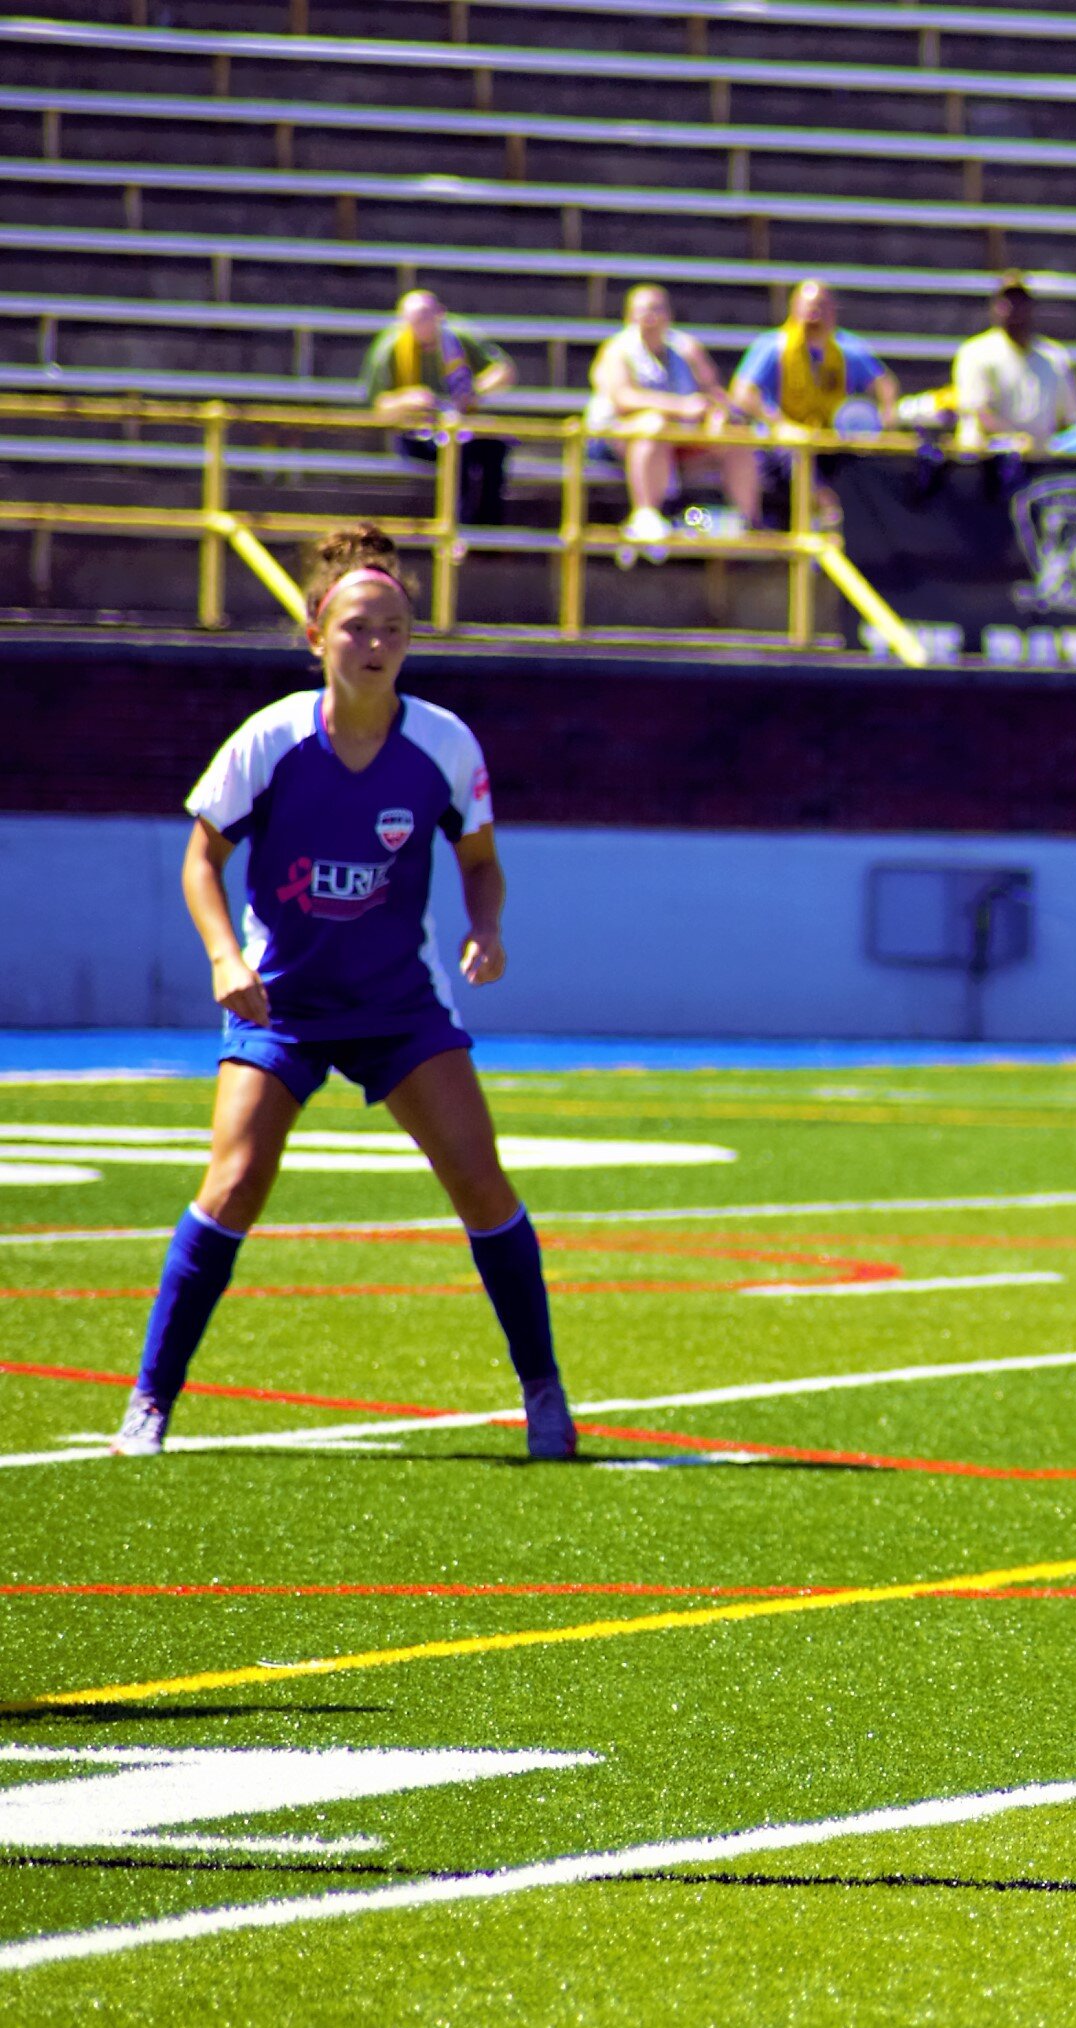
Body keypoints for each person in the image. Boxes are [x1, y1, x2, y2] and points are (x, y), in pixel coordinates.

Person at [111, 524, 574, 1461]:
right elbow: (205, 858)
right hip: (281, 1002)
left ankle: (545, 1394)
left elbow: (479, 862)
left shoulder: (443, 744)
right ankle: (149, 1402)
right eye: (358, 626)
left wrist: (488, 929)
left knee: (481, 1182)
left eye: (395, 628)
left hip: (401, 1004)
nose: (376, 644)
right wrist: (222, 957)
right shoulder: (271, 738)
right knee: (234, 1182)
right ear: (317, 632)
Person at [584, 282, 761, 551]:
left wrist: (718, 414)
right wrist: (679, 407)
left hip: (678, 437)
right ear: (630, 316)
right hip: (618, 437)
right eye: (643, 311)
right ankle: (646, 515)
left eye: (657, 310)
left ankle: (747, 521)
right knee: (654, 425)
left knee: (736, 437)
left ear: (669, 314)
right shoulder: (616, 351)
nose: (651, 317)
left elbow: (713, 393)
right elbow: (623, 398)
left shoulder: (687, 349)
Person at [360, 290, 514, 528]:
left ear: (440, 314)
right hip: (416, 433)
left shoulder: (458, 338)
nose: (421, 326)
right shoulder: (391, 347)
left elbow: (504, 371)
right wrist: (407, 400)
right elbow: (378, 407)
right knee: (457, 453)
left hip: (459, 424)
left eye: (426, 318)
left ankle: (490, 529)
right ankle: (456, 529)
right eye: (414, 320)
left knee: (495, 447)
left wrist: (474, 391)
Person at [730, 279, 897, 438]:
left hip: (834, 440)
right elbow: (742, 393)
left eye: (821, 308)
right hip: (783, 444)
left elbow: (884, 384)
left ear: (833, 312)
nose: (815, 316)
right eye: (809, 309)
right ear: (794, 309)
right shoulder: (773, 346)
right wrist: (779, 424)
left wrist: (884, 416)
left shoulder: (848, 348)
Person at [952, 276, 1076, 454]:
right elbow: (980, 412)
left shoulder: (1054, 357)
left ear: (1031, 308)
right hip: (987, 461)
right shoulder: (976, 352)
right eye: (1006, 302)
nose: (1013, 309)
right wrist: (1015, 439)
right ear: (994, 308)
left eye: (1020, 302)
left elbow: (1071, 418)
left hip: (1039, 462)